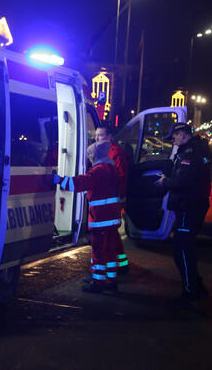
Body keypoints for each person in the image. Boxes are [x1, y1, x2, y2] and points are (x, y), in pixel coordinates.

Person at [53, 140, 122, 294]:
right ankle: (112, 283)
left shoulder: (98, 170)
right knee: (110, 250)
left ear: (96, 155)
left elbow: (80, 183)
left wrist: (60, 180)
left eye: (90, 155)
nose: (89, 158)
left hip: (101, 219)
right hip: (112, 218)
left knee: (98, 250)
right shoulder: (111, 168)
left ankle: (98, 283)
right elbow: (101, 188)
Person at [154, 122, 212, 303]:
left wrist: (165, 181)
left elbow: (183, 180)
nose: (173, 140)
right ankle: (197, 287)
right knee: (181, 249)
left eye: (174, 136)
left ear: (182, 134)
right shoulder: (193, 151)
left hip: (189, 208)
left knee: (183, 252)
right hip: (190, 207)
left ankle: (190, 292)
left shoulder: (189, 154)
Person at [95, 121, 132, 275]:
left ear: (109, 136)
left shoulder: (115, 152)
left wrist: (120, 197)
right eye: (96, 135)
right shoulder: (103, 150)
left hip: (111, 199)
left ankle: (109, 271)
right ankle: (121, 265)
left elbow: (122, 176)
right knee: (112, 234)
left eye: (101, 135)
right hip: (107, 199)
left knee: (107, 236)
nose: (97, 139)